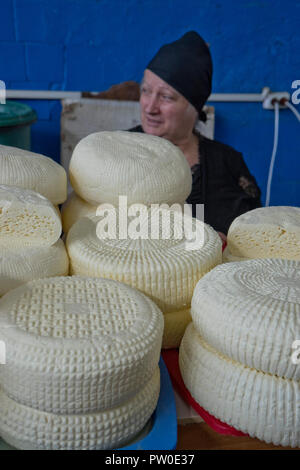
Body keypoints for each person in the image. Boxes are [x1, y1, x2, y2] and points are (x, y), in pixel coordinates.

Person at [129, 31, 261, 242]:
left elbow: (253, 237)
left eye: (166, 97)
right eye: (145, 91)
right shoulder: (118, 152)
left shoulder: (228, 162)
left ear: (194, 106)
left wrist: (228, 242)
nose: (150, 107)